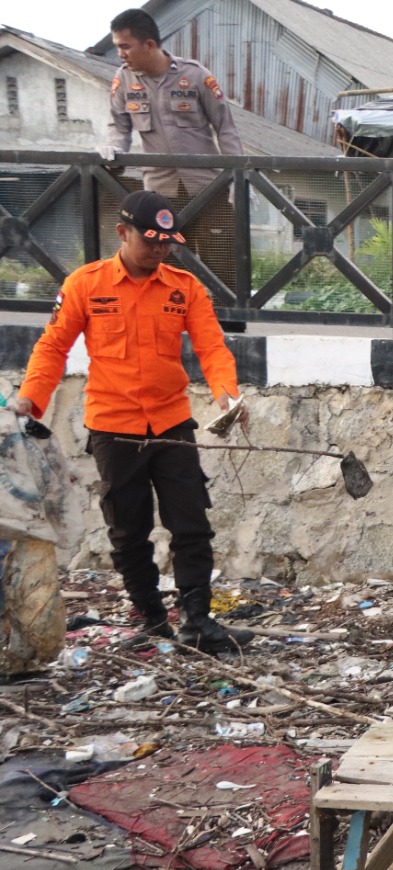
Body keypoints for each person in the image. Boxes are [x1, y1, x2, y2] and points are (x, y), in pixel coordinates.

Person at [11, 191, 252, 653]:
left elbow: (212, 347)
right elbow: (52, 346)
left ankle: (198, 621)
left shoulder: (185, 287)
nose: (160, 250)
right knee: (127, 530)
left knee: (191, 524)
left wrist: (227, 395)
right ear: (122, 233)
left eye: (167, 243)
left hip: (172, 424)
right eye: (150, 240)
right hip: (113, 427)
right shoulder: (86, 284)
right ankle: (151, 618)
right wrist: (31, 400)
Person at [106, 8, 244, 300]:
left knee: (223, 264)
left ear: (150, 45)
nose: (120, 54)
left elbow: (226, 129)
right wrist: (113, 149)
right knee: (164, 265)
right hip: (159, 194)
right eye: (118, 46)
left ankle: (229, 328)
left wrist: (236, 181)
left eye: (125, 46)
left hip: (208, 189)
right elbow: (118, 128)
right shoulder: (123, 81)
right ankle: (167, 326)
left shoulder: (195, 75)